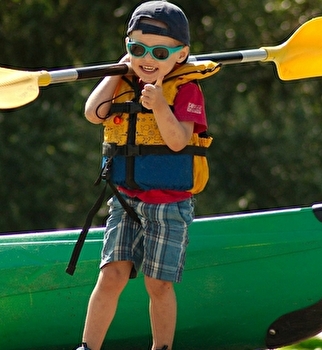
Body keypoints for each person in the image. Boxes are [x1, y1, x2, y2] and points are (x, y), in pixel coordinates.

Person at [76, 1, 220, 349]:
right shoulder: (123, 79)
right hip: (125, 198)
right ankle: (88, 347)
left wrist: (159, 107)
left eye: (158, 51)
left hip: (169, 206)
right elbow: (94, 115)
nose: (147, 58)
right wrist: (114, 73)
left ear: (181, 54)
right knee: (111, 276)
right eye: (137, 48)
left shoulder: (186, 89)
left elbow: (177, 141)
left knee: (158, 284)